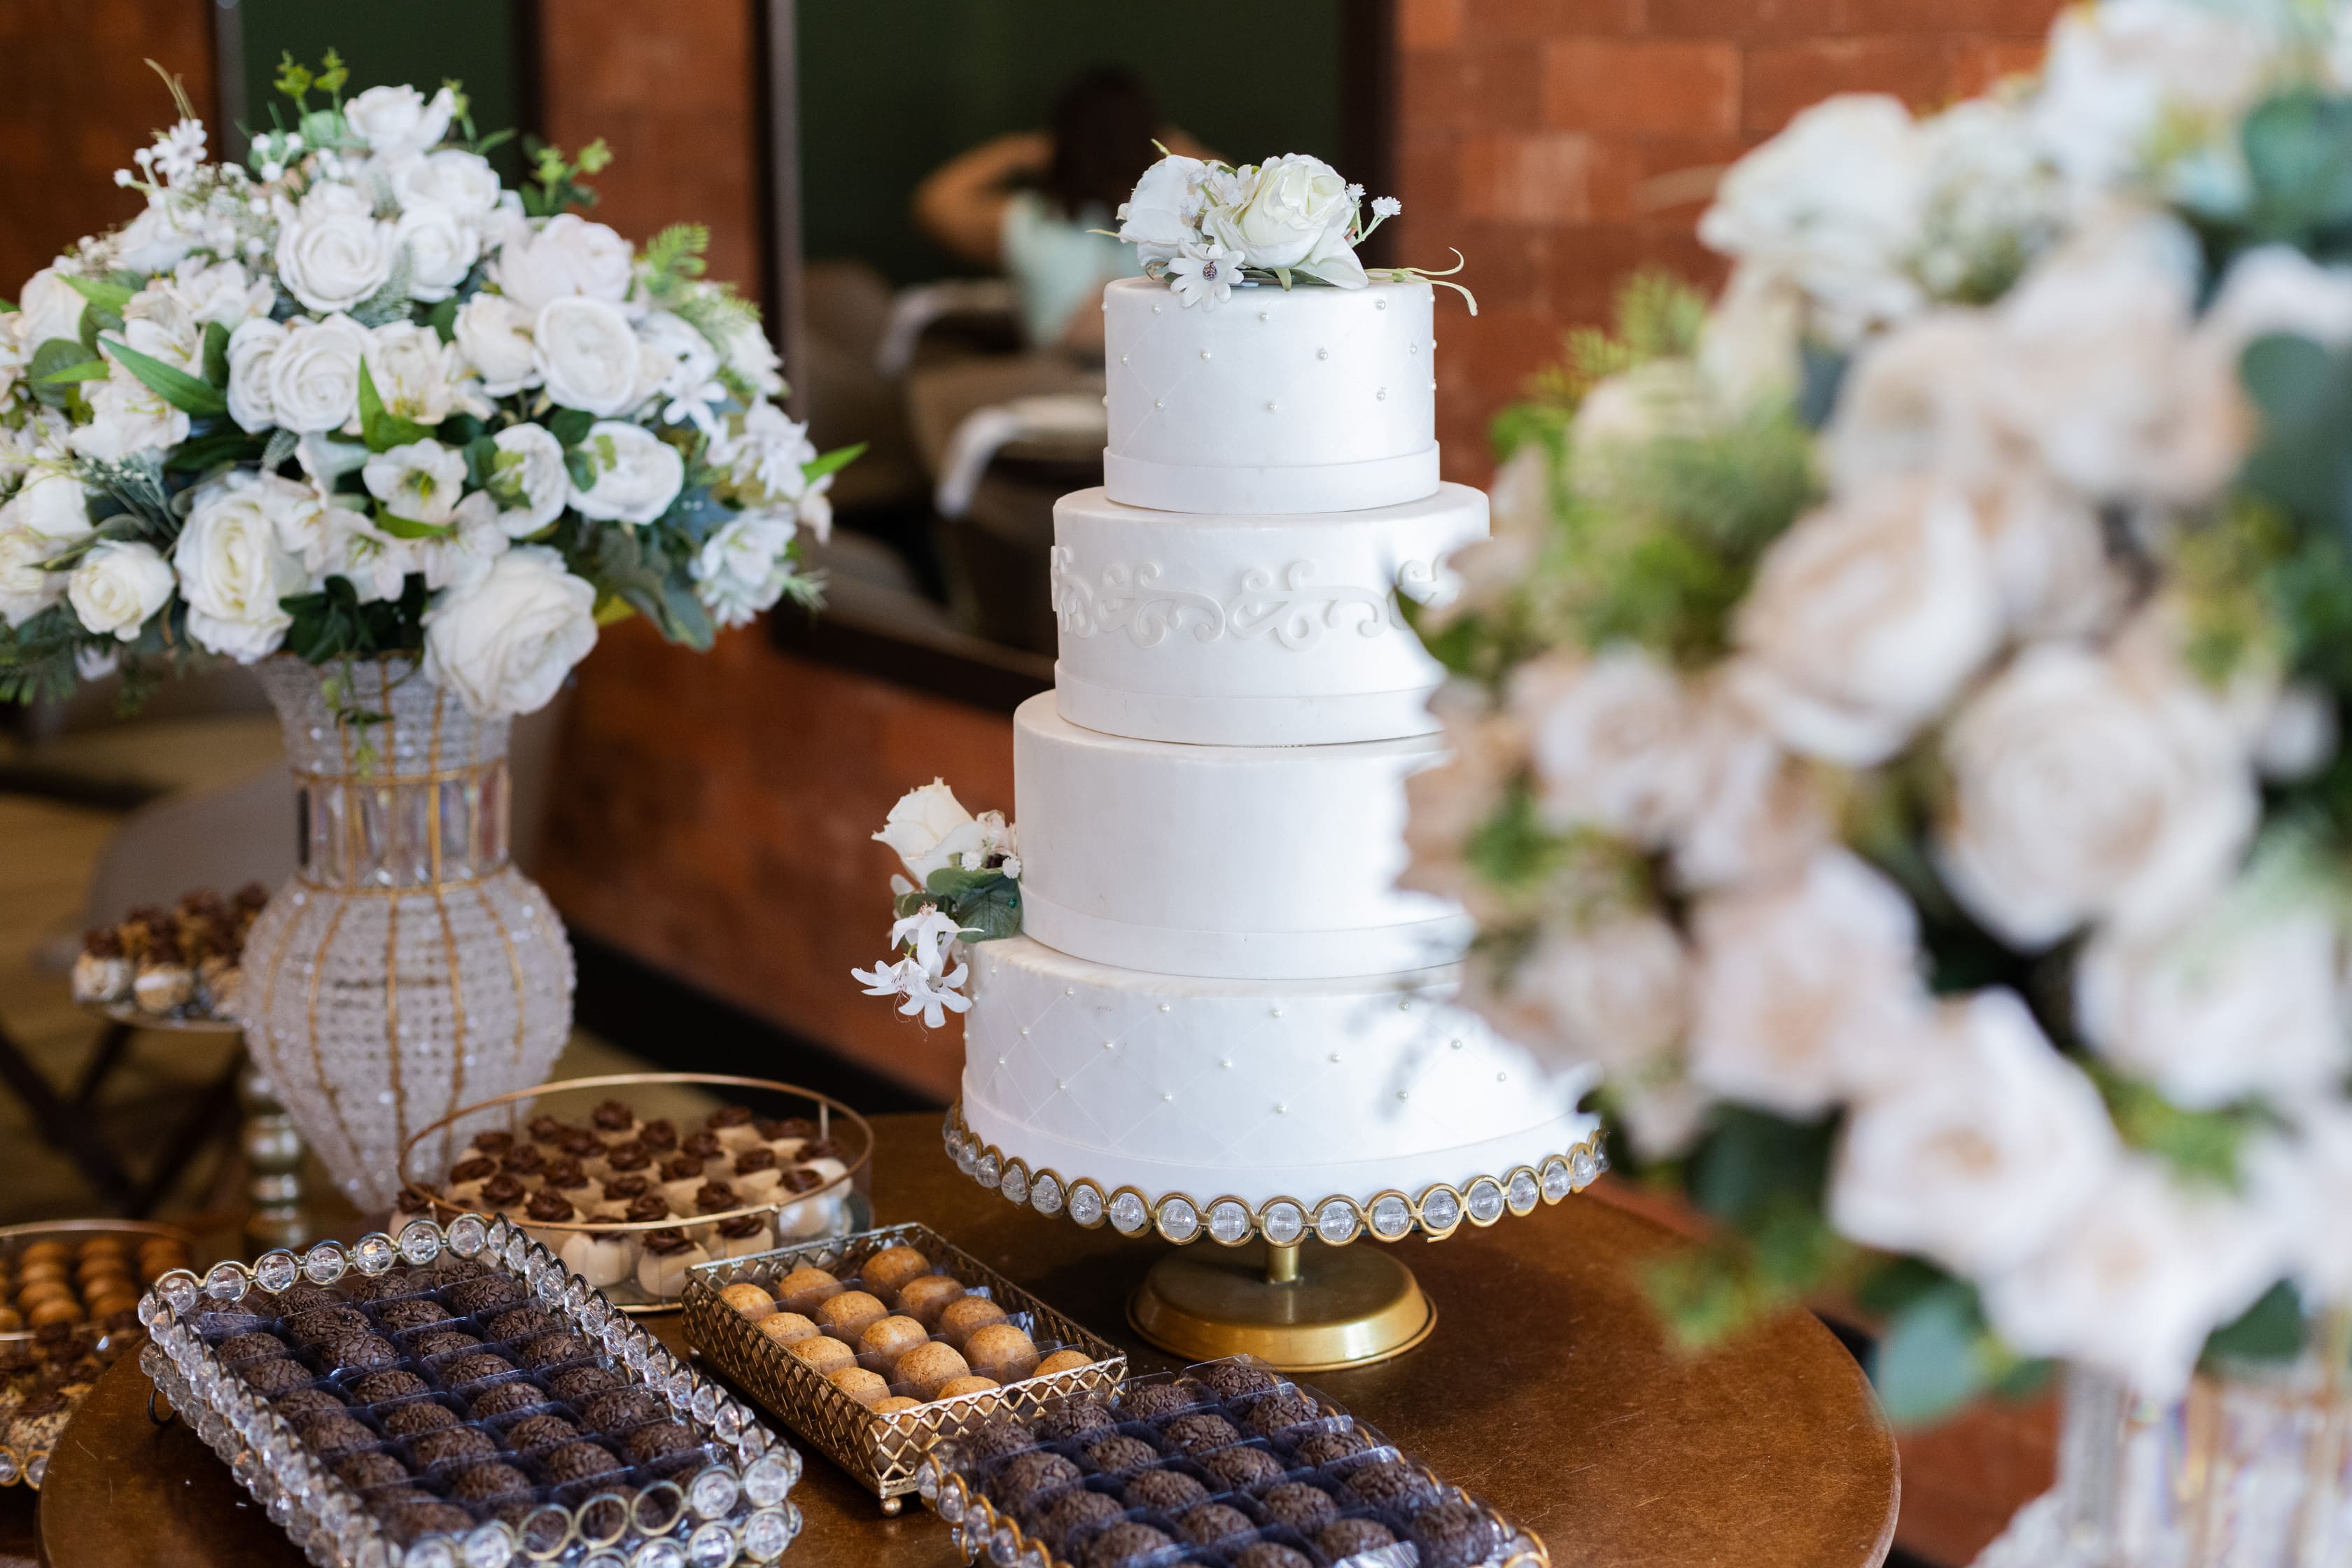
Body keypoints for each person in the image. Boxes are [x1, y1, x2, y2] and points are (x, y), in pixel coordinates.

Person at [913, 67, 1210, 354]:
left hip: (1050, 383)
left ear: (1058, 141)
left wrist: (1023, 150)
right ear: (1151, 139)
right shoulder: (1188, 219)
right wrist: (1176, 151)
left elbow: (935, 202)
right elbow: (1233, 204)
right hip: (1158, 375)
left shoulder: (1027, 221)